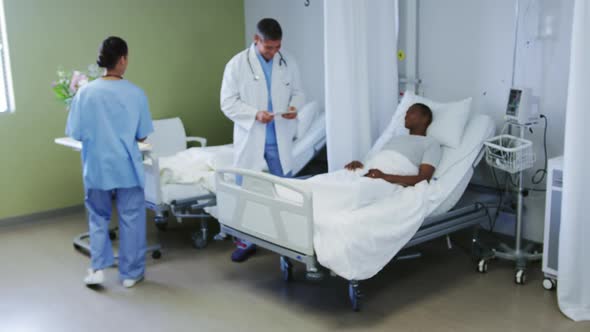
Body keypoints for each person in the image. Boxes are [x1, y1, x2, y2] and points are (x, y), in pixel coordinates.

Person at [66, 36, 154, 288]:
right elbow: (142, 134)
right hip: (126, 166)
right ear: (123, 59)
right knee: (131, 218)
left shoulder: (85, 93)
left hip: (96, 167)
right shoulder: (136, 93)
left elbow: (76, 132)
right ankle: (130, 274)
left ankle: (97, 268)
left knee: (98, 217)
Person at [220, 18, 305, 262]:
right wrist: (254, 114)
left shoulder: (287, 61)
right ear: (256, 40)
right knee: (246, 193)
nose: (274, 52)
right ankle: (245, 241)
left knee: (287, 191)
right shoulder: (237, 65)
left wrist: (293, 106)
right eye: (269, 47)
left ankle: (290, 239)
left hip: (279, 138)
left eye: (277, 46)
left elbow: (299, 92)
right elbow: (227, 103)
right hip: (252, 137)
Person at [345, 103, 441, 185]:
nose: (406, 116)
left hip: (385, 182)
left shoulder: (431, 143)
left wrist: (384, 177)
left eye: (411, 112)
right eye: (406, 113)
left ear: (425, 119)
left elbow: (423, 179)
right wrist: (361, 166)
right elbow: (379, 164)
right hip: (367, 175)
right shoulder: (395, 139)